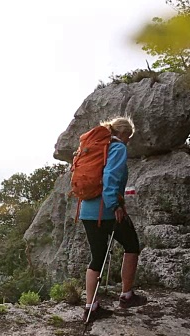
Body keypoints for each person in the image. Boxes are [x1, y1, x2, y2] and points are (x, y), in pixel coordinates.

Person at [80, 116, 147, 320]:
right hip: (107, 211)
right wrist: (115, 204)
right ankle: (126, 295)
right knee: (132, 245)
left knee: (97, 257)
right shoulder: (117, 148)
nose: (129, 140)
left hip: (87, 211)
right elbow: (110, 177)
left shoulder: (96, 148)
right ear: (123, 133)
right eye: (129, 136)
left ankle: (90, 307)